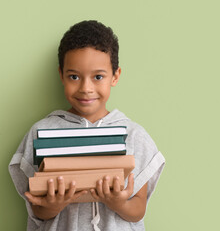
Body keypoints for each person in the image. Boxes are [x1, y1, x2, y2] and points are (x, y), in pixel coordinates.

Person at [9, 20, 165, 231]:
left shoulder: (134, 136)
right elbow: (37, 208)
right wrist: (54, 205)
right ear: (61, 75)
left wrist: (118, 203)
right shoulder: (42, 133)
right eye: (74, 76)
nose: (86, 88)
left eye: (98, 77)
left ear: (115, 76)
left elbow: (139, 207)